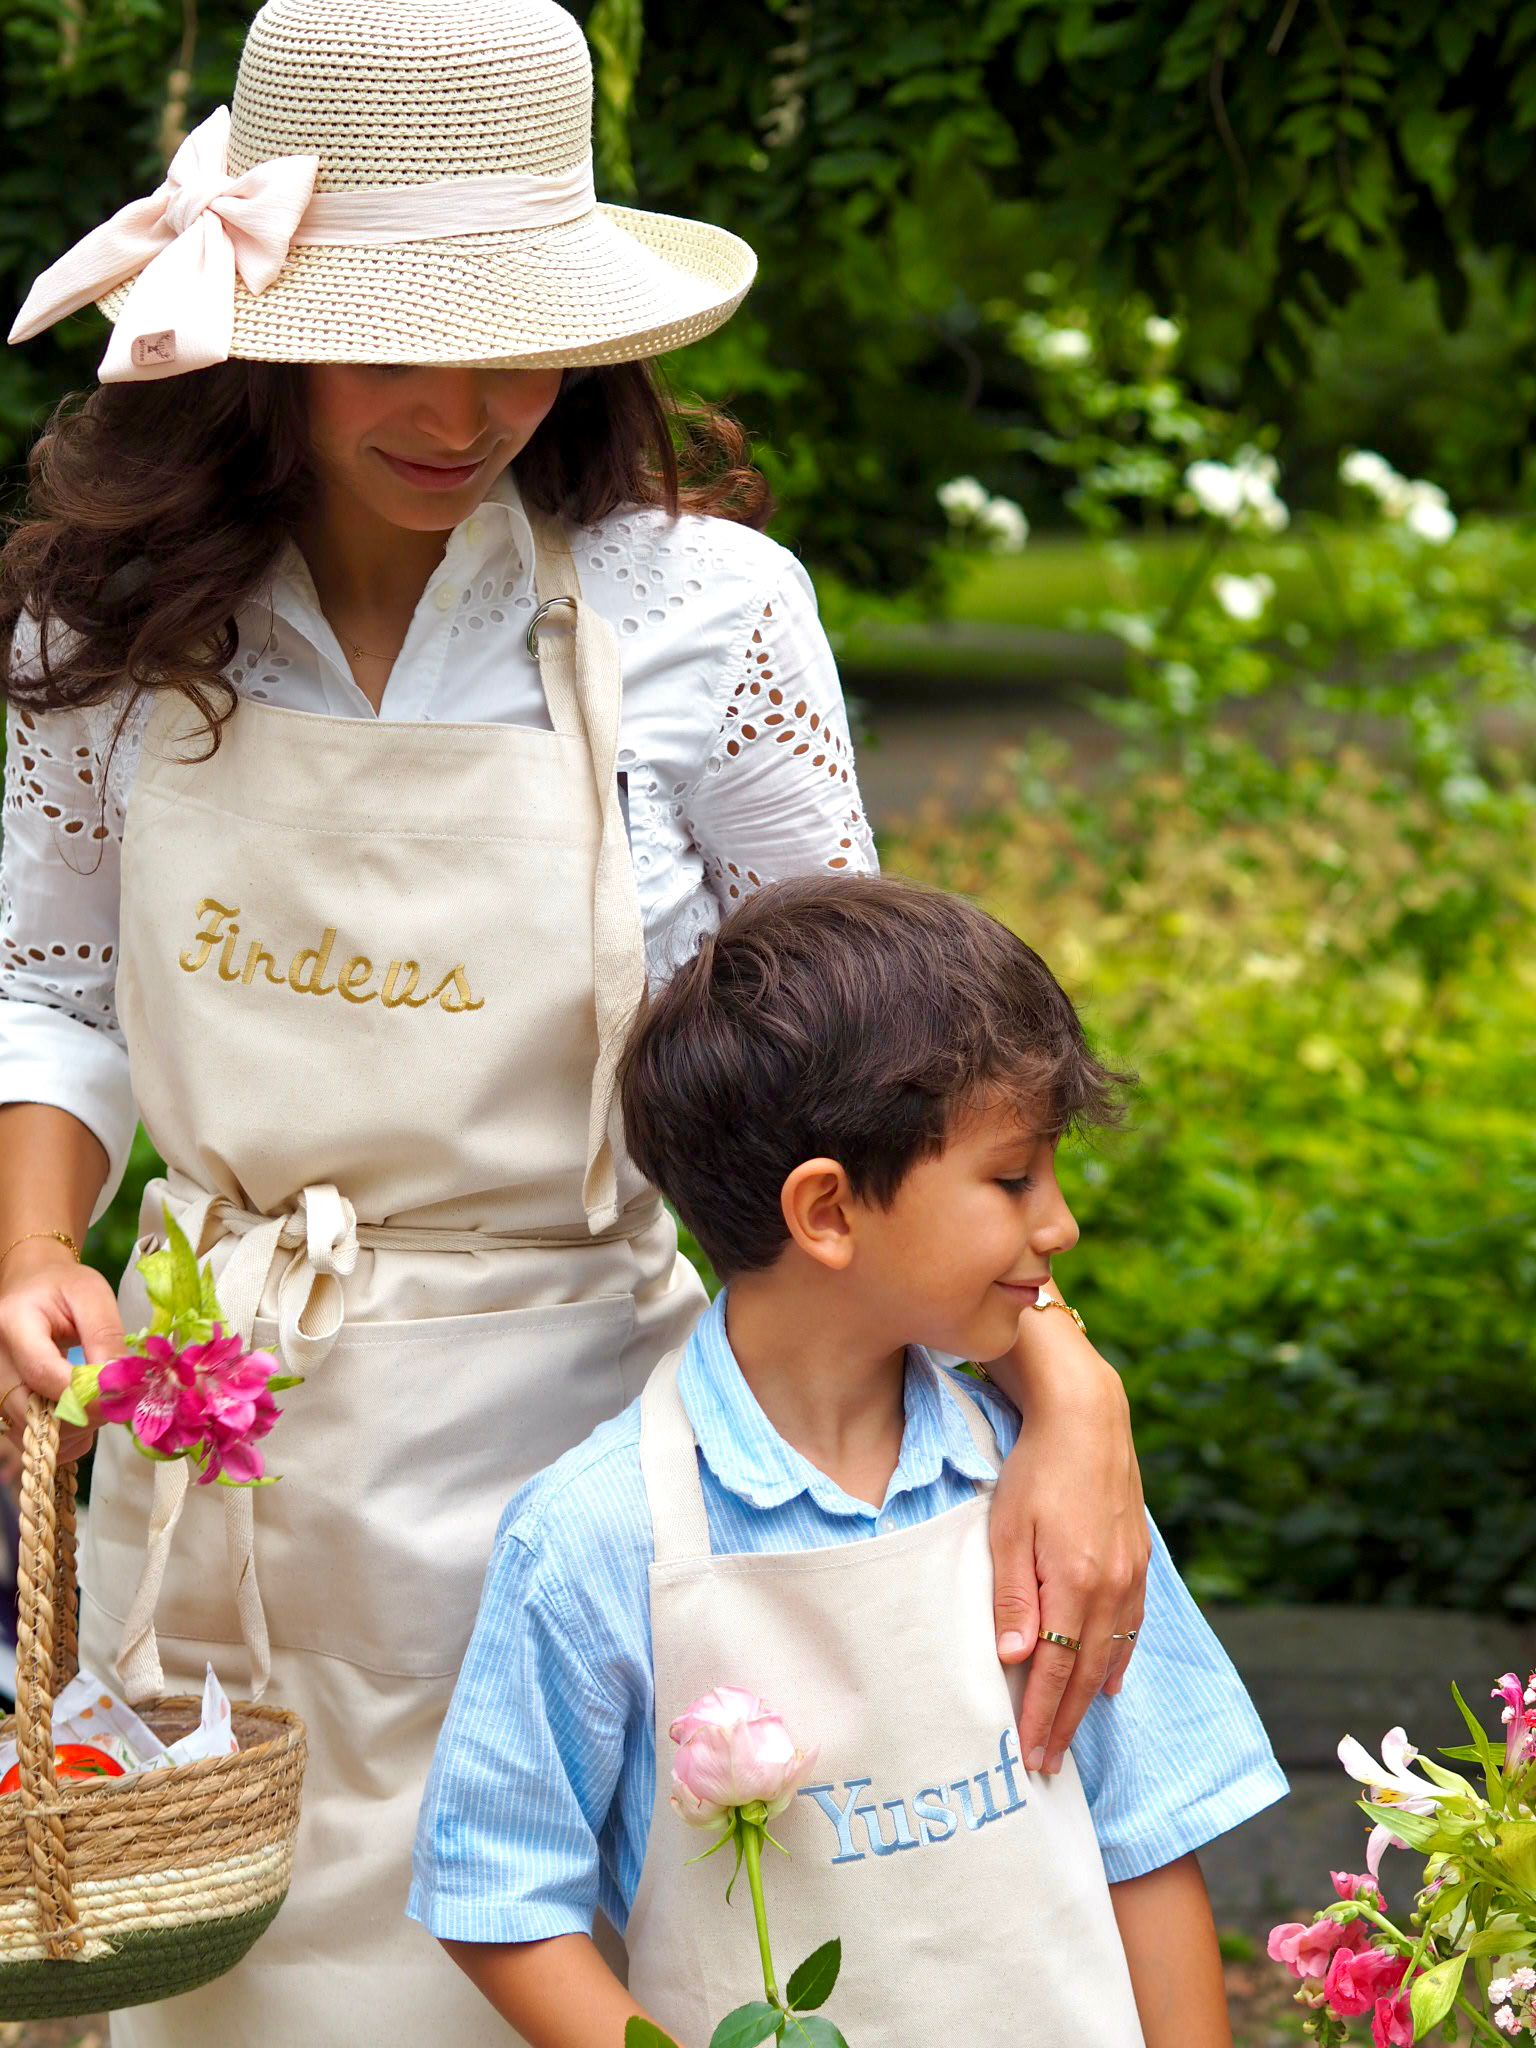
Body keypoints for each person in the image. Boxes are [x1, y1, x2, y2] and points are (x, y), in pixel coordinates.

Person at [0, 2, 1153, 2039]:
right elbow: (59, 989)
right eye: (394, 342)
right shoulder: (105, 631)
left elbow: (874, 1066)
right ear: (258, 337)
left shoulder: (702, 609)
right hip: (222, 1439)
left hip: (617, 1459)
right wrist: (27, 1252)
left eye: (517, 340)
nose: (464, 410)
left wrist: (1068, 1386)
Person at [411, 874, 1287, 2048]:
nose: (1061, 1221)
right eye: (1015, 1175)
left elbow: (1150, 1834)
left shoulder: (1045, 1486)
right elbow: (496, 1891)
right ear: (827, 1210)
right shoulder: (597, 1534)